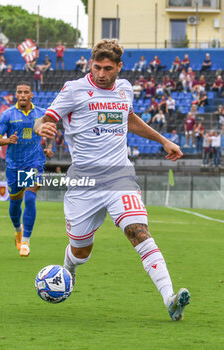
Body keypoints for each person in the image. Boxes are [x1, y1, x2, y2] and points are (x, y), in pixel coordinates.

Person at [34, 39, 190, 321]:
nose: (102, 74)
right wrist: (43, 125)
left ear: (119, 67)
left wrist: (164, 140)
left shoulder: (125, 89)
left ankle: (170, 298)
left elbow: (128, 119)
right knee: (81, 249)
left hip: (120, 175)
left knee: (138, 231)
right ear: (89, 64)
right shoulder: (74, 89)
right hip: (84, 182)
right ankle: (70, 266)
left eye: (108, 68)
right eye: (97, 67)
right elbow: (46, 118)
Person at [0, 81, 53, 257]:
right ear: (16, 95)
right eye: (20, 92)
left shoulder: (41, 113)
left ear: (31, 94)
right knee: (15, 205)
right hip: (13, 165)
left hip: (33, 163)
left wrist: (48, 147)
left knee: (30, 198)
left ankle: (26, 241)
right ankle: (18, 230)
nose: (23, 95)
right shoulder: (7, 115)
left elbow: (51, 132)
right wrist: (7, 140)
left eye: (26, 92)